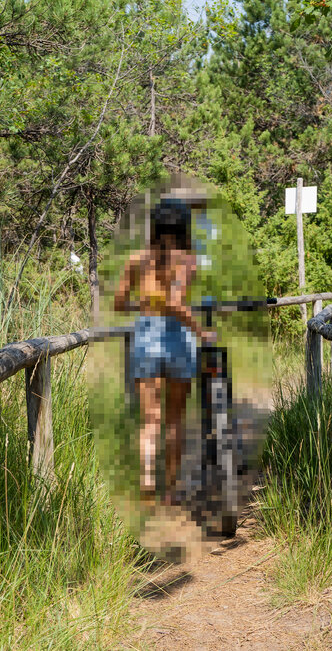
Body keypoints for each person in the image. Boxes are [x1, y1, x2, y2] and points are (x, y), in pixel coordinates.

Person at [114, 197, 215, 507]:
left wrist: (145, 306)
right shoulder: (186, 260)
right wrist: (201, 331)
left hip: (146, 335)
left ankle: (147, 479)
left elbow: (119, 303)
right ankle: (170, 490)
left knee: (150, 419)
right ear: (184, 228)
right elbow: (175, 302)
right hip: (178, 338)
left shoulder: (136, 259)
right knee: (174, 420)